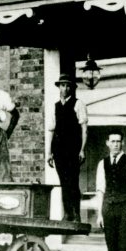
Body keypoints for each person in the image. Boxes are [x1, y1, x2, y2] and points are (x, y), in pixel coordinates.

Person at [46, 73, 88, 222]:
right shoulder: (55, 106)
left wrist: (82, 149)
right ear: (59, 87)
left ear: (72, 88)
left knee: (72, 181)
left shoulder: (78, 104)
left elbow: (84, 129)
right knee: (64, 182)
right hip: (58, 150)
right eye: (63, 85)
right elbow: (51, 130)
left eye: (68, 85)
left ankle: (76, 213)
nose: (65, 88)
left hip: (73, 149)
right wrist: (49, 152)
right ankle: (68, 213)